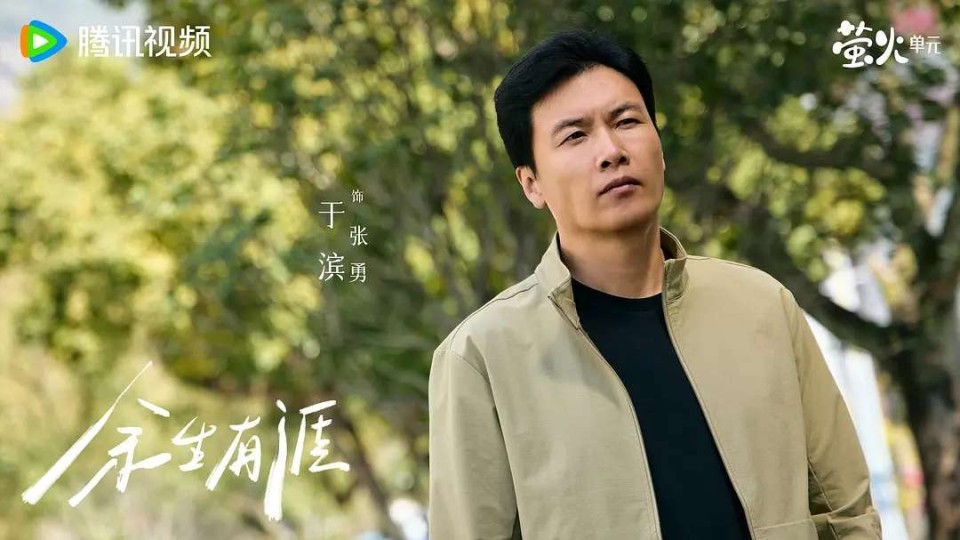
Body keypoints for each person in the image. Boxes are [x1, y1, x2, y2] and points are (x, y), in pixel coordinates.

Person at [427, 28, 881, 539]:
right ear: (531, 183)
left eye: (626, 121)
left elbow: (846, 513)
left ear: (659, 145)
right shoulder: (482, 357)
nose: (611, 150)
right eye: (575, 136)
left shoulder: (762, 306)